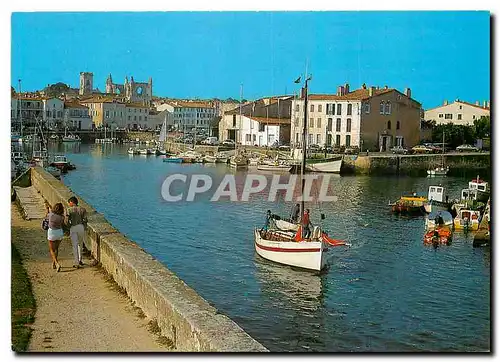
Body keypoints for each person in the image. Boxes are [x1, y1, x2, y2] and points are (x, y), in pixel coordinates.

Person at [66, 196, 87, 269]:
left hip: (73, 227)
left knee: (74, 245)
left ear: (71, 202)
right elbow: (85, 220)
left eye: (69, 203)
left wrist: (68, 228)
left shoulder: (69, 210)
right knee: (80, 244)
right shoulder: (83, 209)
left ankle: (76, 262)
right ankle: (80, 259)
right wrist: (84, 228)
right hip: (81, 227)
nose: (69, 204)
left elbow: (67, 221)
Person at [47, 203, 66, 272]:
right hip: (59, 232)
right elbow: (63, 223)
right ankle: (53, 263)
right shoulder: (61, 217)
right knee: (56, 249)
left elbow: (46, 217)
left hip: (52, 232)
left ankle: (57, 263)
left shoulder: (51, 215)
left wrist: (47, 210)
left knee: (51, 249)